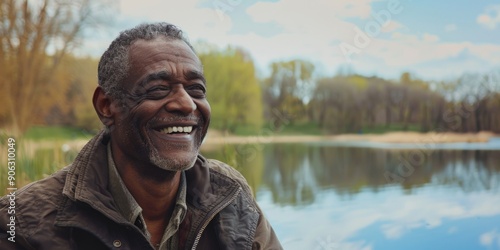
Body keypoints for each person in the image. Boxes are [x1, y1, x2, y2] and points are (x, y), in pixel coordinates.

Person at [0, 22, 282, 250]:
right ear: (106, 106)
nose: (186, 104)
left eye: (196, 88)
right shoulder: (22, 223)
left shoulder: (232, 196)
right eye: (158, 88)